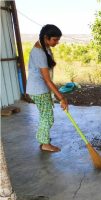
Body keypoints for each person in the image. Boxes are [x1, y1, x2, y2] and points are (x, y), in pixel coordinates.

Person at [26, 24, 68, 152]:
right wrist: (61, 97)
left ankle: (43, 139)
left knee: (45, 115)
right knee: (47, 117)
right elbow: (47, 79)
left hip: (40, 88)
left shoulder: (43, 45)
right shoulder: (39, 52)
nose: (57, 42)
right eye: (55, 39)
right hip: (39, 90)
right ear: (46, 38)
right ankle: (44, 143)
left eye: (58, 39)